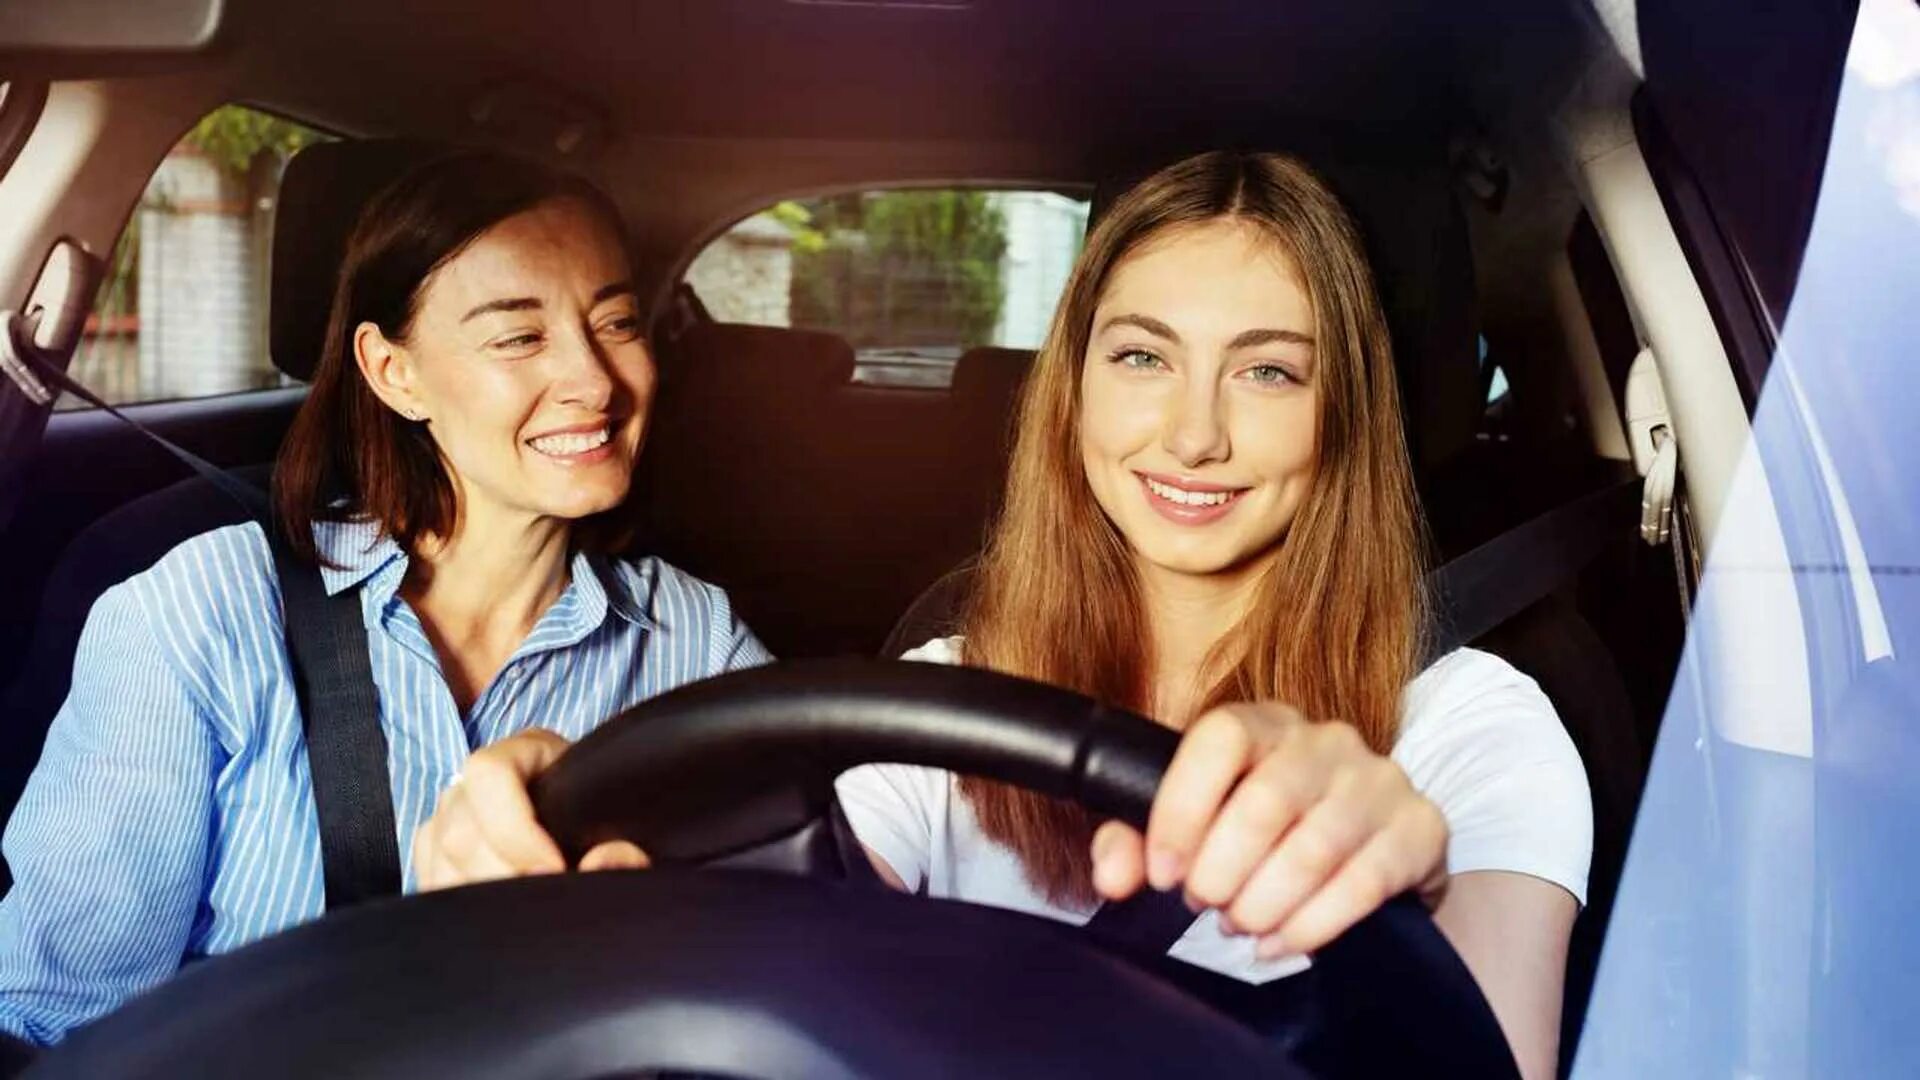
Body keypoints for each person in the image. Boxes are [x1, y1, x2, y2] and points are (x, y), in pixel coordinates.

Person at [411, 151, 1592, 1078]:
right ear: (1070, 388)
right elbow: (774, 940)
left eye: (1268, 371)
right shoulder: (948, 690)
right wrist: (583, 849)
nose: (1193, 433)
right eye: (1141, 358)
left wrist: (1410, 898)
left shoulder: (1476, 729)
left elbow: (1490, 1049)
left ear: (1343, 412)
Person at [0, 151, 768, 1045]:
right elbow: (49, 1027)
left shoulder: (698, 641)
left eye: (619, 321)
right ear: (392, 372)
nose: (595, 380)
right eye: (519, 336)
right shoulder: (204, 613)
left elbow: (784, 961)